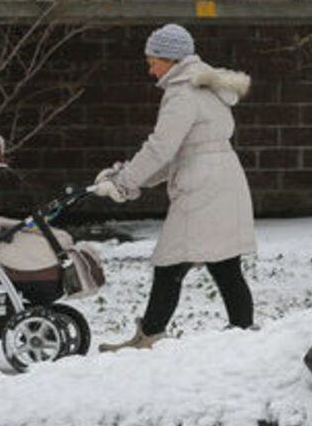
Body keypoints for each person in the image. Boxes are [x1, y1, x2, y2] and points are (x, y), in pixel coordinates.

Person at [92, 23, 258, 351]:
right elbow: (182, 151)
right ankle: (243, 335)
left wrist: (123, 182)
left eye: (153, 61)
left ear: (171, 59)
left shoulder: (183, 92)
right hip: (223, 177)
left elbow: (161, 148)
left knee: (171, 260)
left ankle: (150, 336)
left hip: (203, 185)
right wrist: (131, 181)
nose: (150, 69)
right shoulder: (206, 87)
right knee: (224, 261)